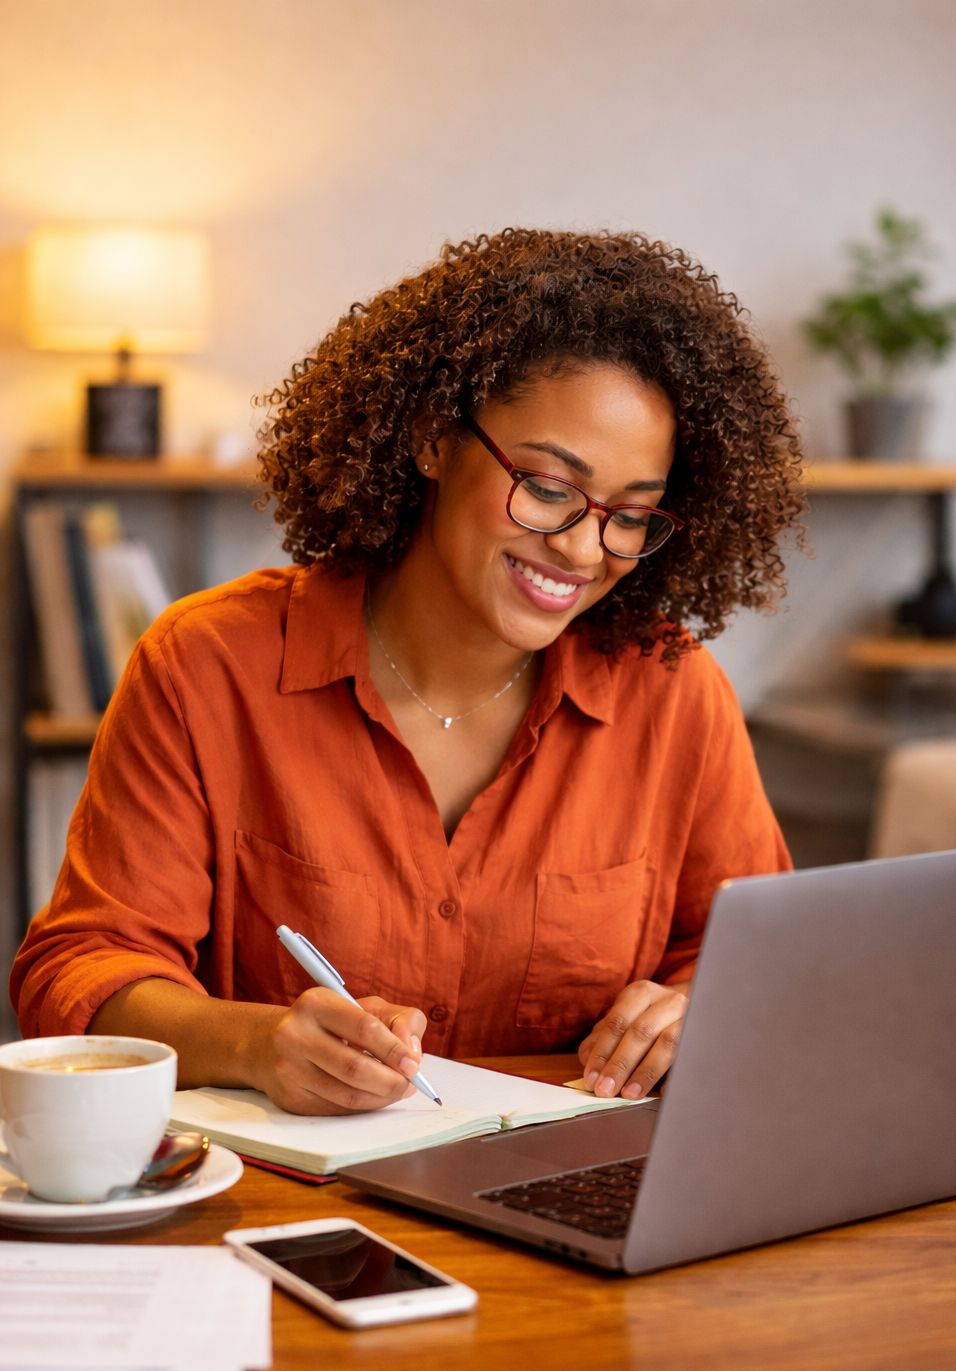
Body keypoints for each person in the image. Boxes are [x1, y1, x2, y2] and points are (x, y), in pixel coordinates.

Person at [10, 229, 803, 1116]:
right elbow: (81, 968)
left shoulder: (673, 694)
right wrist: (257, 1043)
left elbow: (763, 959)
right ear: (432, 437)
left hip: (571, 1197)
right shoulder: (210, 666)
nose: (583, 548)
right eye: (546, 488)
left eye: (630, 515)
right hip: (294, 1206)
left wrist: (697, 1010)